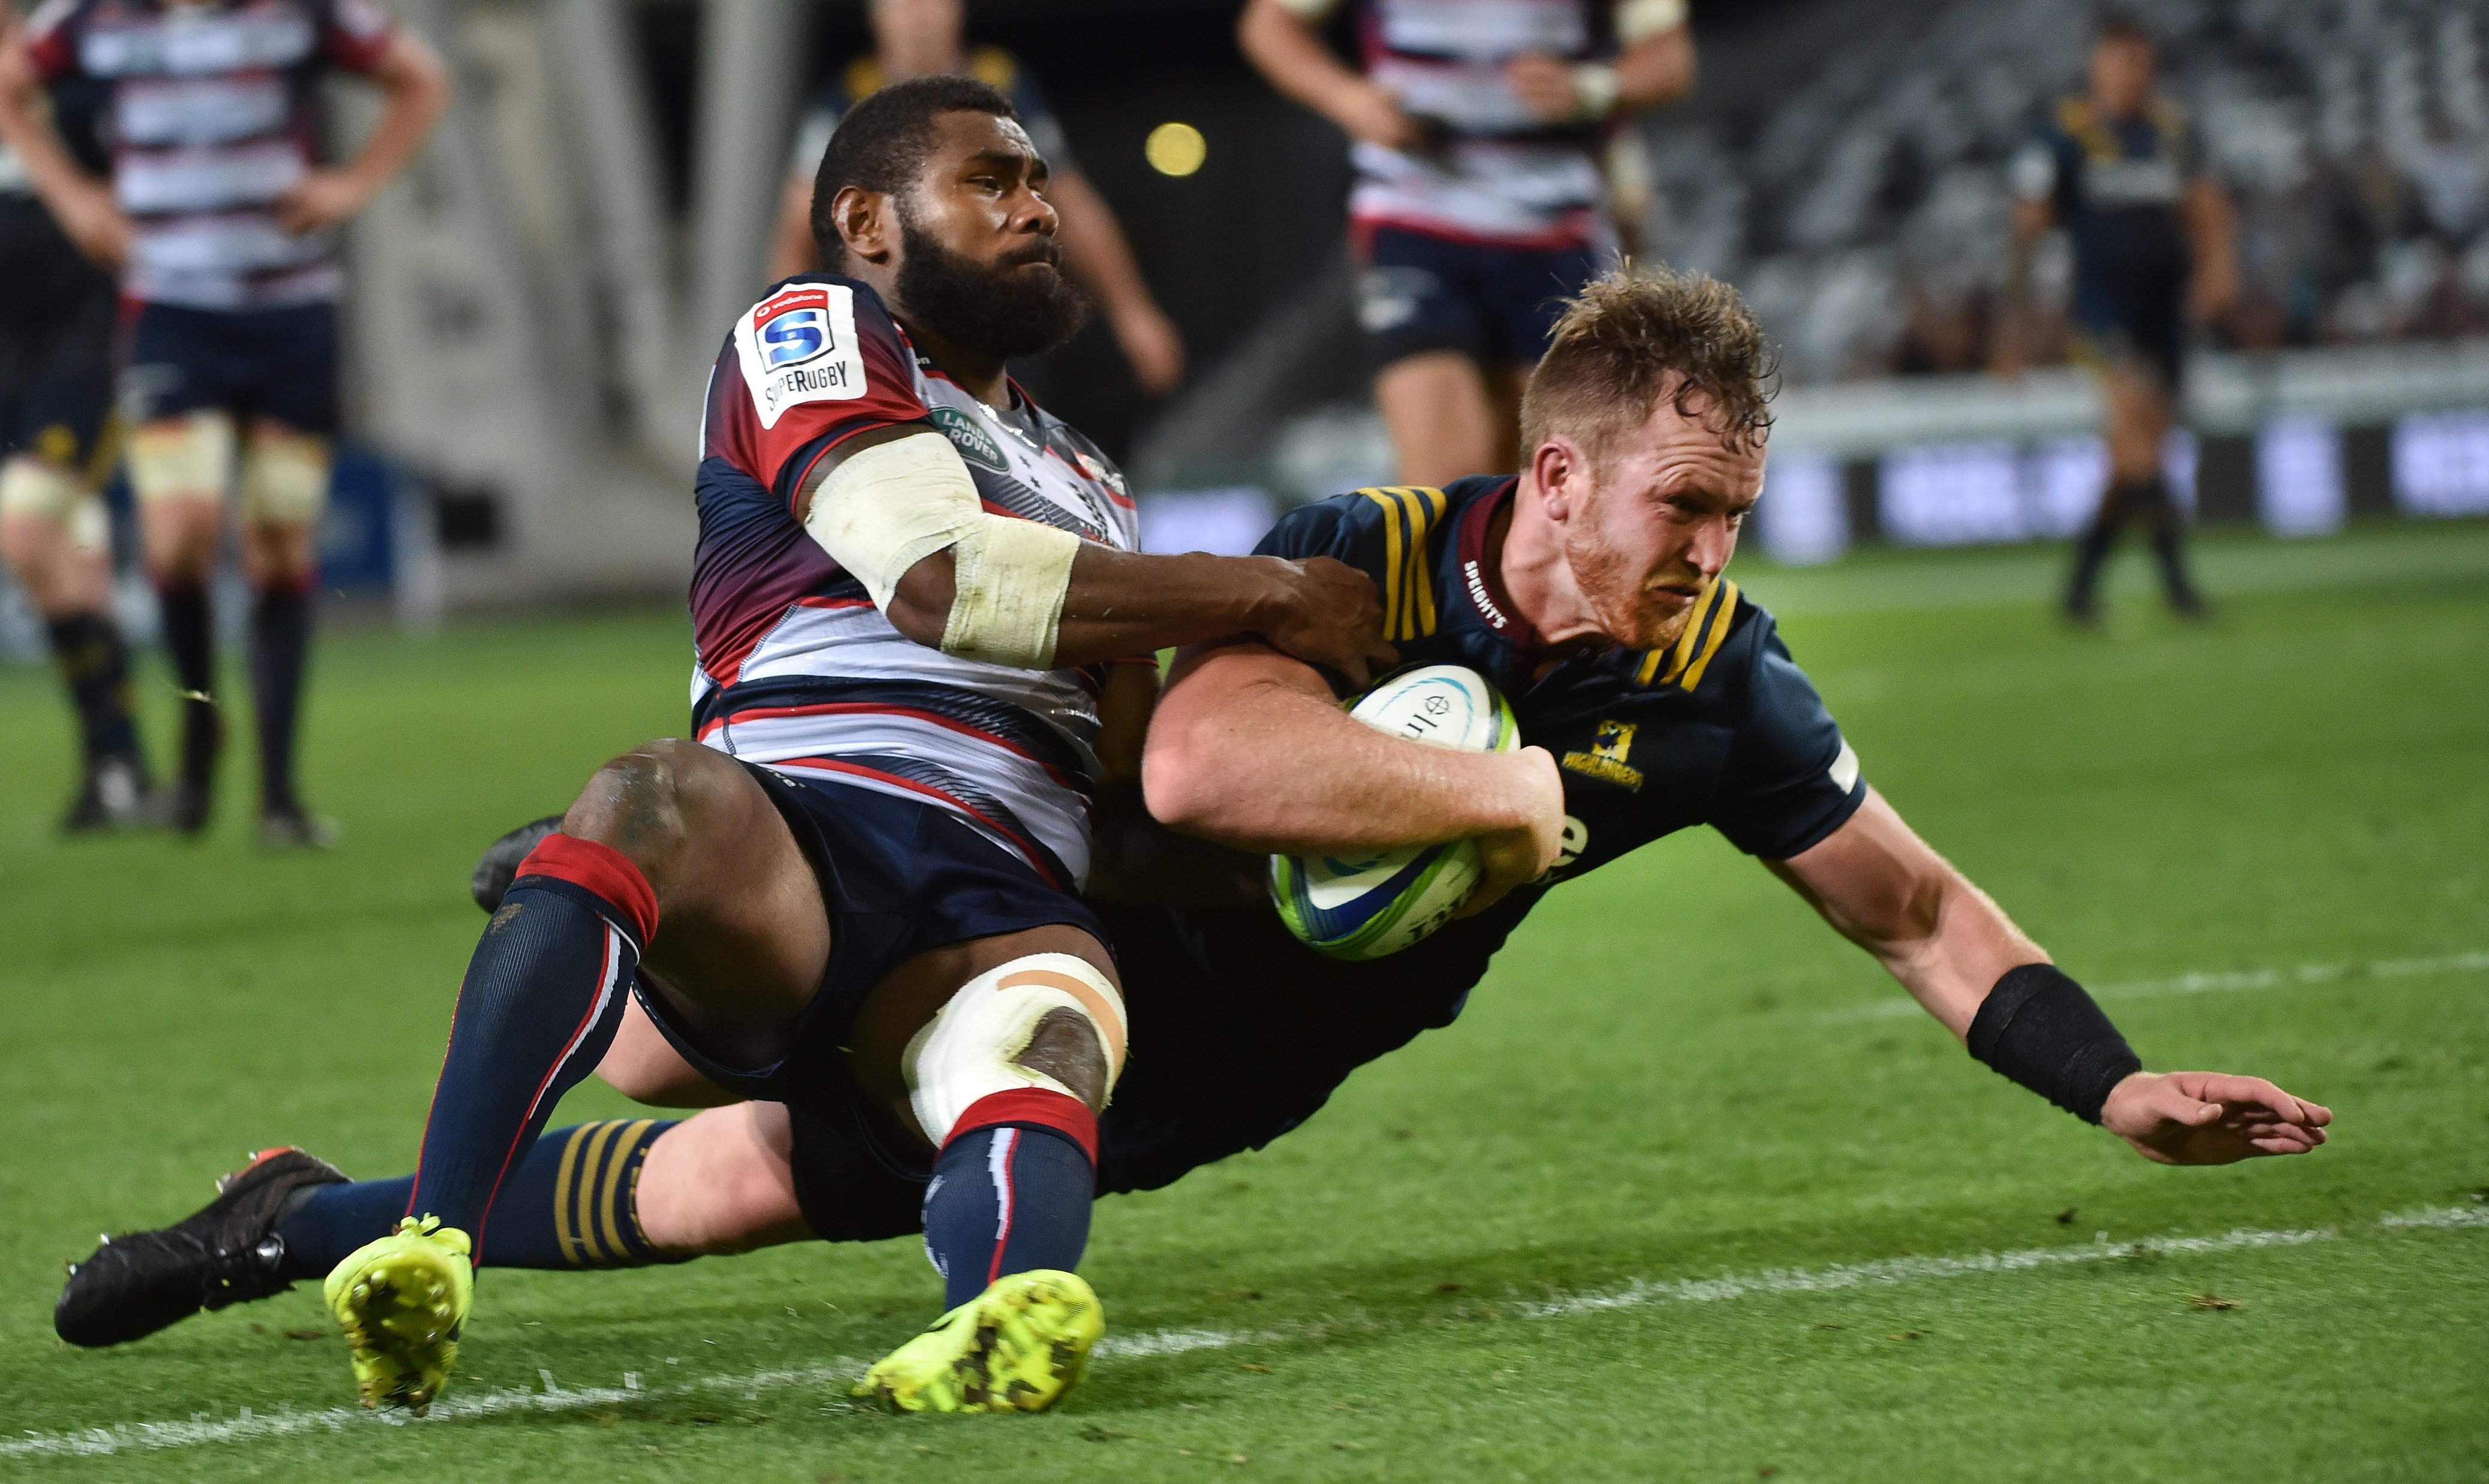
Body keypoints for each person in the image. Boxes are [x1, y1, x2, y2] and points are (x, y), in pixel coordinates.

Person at [61, 270, 2334, 1401]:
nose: (1706, 555)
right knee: (720, 1137)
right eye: (1681, 508)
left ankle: (293, 1205)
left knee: (721, 1186)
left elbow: (1916, 907)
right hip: (1048, 939)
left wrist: (2109, 1076)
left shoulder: (1713, 689)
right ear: (1552, 478)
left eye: (1733, 515)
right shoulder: (1365, 557)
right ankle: (338, 1195)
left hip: (1220, 1087)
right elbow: (1197, 775)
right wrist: (1495, 791)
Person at [56, 76, 1391, 1420]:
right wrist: (1269, 589)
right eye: (993, 179)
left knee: (1028, 1040)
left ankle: (996, 1305)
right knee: (656, 792)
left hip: (1001, 889)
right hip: (800, 840)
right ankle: (434, 1233)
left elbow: (1115, 810)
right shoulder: (812, 328)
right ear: (866, 219)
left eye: (1040, 180)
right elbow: (938, 578)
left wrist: (1338, 844)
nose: (1037, 204)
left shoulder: (1094, 478)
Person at [0, 0, 450, 844]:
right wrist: (72, 197)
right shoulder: (95, 18)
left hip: (292, 314)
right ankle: (200, 728)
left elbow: (420, 77)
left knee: (279, 543)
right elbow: (10, 82)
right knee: (180, 537)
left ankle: (280, 794)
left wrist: (353, 184)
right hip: (170, 311)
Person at [1239, 0, 1693, 487]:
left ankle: (1490, 564)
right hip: (1415, 216)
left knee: (1547, 478)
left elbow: (1669, 60)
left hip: (1554, 226)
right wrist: (1346, 97)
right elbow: (1269, 23)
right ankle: (1448, 560)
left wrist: (1590, 87)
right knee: (1445, 479)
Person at [767, 0, 1185, 398]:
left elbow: (1070, 201)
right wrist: (793, 340)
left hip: (989, 321)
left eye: (932, 3)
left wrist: (1133, 312)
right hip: (887, 333)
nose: (920, 18)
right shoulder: (844, 99)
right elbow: (798, 226)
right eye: (905, 4)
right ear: (878, 17)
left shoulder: (1001, 85)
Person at [2007, 12, 2235, 624]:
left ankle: (2079, 589)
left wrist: (2218, 271)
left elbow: (2208, 206)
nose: (2132, 73)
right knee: (2140, 441)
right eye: (2120, 60)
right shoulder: (2063, 135)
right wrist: (2017, 325)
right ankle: (2180, 589)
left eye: (2141, 61)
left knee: (2134, 457)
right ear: (2096, 64)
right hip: (2101, 313)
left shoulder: (2172, 132)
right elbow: (2027, 225)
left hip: (2165, 313)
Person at [0, 13, 150, 831]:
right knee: (64, 560)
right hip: (8, 349)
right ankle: (118, 766)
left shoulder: (70, 75)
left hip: (84, 341)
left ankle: (122, 763)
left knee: (25, 531)